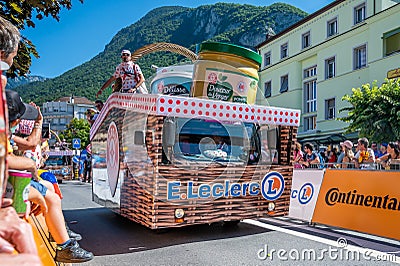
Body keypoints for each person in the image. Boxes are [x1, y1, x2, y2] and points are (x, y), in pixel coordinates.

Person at [6, 90, 93, 263]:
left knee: (49, 185)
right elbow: (15, 154)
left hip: (9, 180)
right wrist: (29, 164)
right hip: (7, 184)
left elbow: (29, 145)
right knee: (52, 198)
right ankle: (65, 246)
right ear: (15, 121)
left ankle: (60, 230)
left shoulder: (7, 134)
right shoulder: (6, 135)